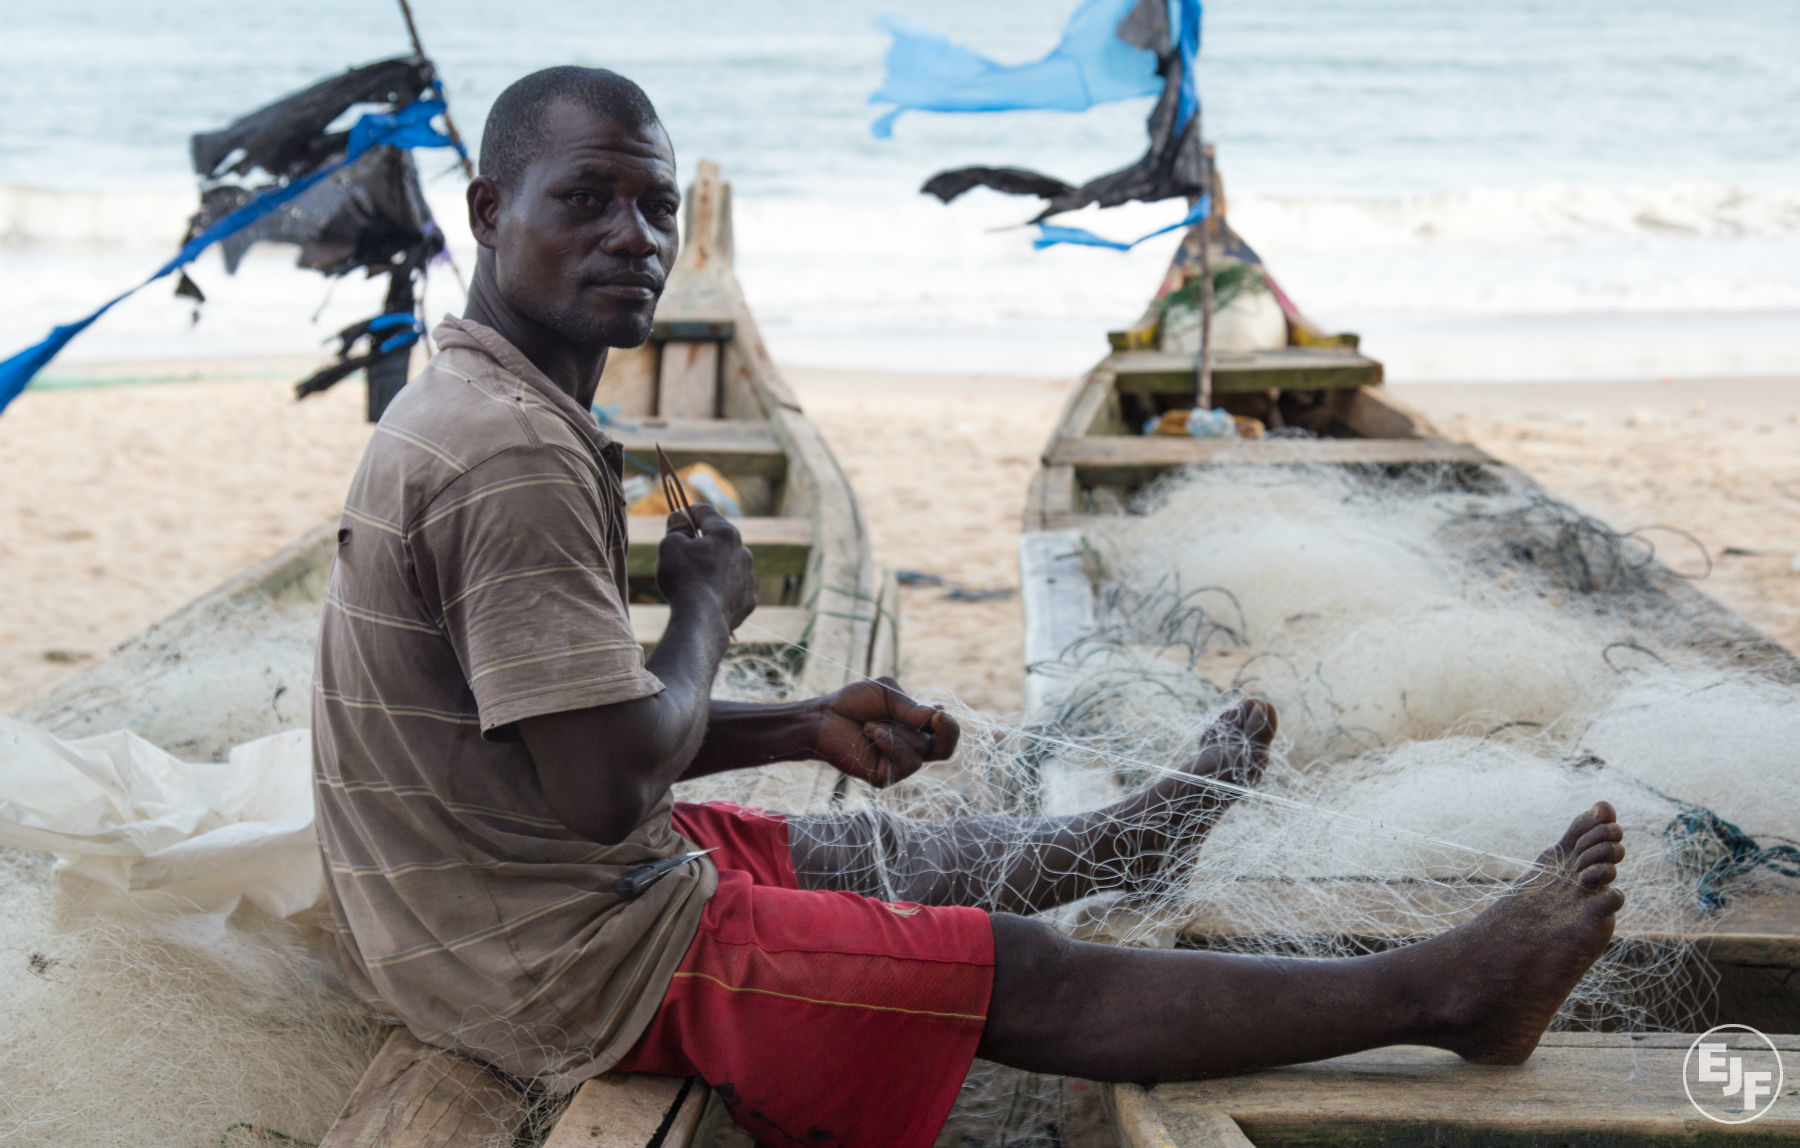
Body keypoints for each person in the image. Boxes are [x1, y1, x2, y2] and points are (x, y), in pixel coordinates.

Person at [311, 66, 1626, 1148]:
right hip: (540, 960)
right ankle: (1445, 995)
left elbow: (561, 737)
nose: (633, 236)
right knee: (1010, 965)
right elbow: (602, 787)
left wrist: (805, 725)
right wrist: (705, 609)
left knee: (864, 858)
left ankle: (1126, 842)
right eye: (583, 199)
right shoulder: (513, 457)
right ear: (489, 211)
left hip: (490, 892)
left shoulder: (486, 407)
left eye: (655, 206)